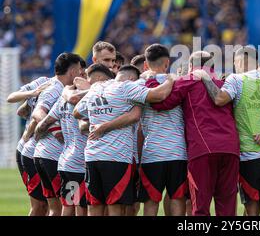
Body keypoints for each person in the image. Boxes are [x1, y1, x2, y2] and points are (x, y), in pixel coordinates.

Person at [194, 46, 260, 216]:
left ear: (238, 62)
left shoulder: (236, 80)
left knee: (252, 212)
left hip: (248, 154)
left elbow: (219, 99)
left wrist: (206, 77)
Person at [73, 64, 173, 216]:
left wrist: (98, 119)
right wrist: (171, 80)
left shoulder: (96, 89)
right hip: (116, 157)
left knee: (94, 205)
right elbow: (159, 95)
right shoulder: (127, 87)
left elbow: (76, 112)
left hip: (92, 155)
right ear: (132, 79)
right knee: (116, 206)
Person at [151, 51, 240, 216]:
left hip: (203, 148)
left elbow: (160, 103)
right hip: (231, 148)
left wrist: (152, 80)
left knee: (200, 206)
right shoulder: (226, 84)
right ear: (213, 67)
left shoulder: (188, 81)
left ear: (191, 66)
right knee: (227, 204)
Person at [34, 59, 88, 217]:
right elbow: (38, 113)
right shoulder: (57, 90)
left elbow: (41, 123)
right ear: (73, 72)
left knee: (58, 208)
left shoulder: (62, 94)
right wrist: (57, 131)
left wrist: (40, 129)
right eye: (80, 71)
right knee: (72, 208)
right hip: (58, 157)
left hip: (59, 159)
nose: (81, 75)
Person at [7, 76, 51, 216]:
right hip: (29, 149)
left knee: (50, 204)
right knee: (40, 204)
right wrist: (32, 93)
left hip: (45, 150)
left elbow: (21, 111)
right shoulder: (43, 82)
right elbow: (12, 97)